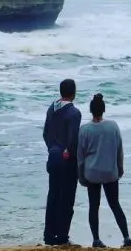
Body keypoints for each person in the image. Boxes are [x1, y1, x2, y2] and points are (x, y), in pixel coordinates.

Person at [77, 93, 131, 248]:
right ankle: (127, 237)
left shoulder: (84, 130)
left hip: (92, 173)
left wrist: (81, 177)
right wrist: (120, 169)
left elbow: (80, 157)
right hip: (110, 172)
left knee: (93, 206)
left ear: (90, 111)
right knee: (115, 204)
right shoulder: (113, 126)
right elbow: (119, 150)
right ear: (103, 110)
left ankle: (96, 239)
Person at [43, 78, 82, 246]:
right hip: (66, 161)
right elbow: (73, 140)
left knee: (53, 197)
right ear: (74, 93)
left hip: (53, 156)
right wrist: (68, 153)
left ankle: (49, 236)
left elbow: (45, 134)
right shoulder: (74, 113)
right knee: (66, 199)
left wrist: (52, 149)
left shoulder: (51, 109)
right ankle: (62, 237)